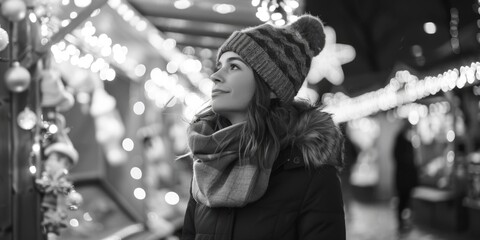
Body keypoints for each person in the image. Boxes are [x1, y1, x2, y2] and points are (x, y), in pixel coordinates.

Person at [181, 14, 345, 240]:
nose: (216, 76)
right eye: (219, 66)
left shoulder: (311, 174)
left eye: (234, 67)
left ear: (271, 86)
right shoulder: (206, 161)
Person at [393, 120, 419, 232]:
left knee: (406, 199)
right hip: (403, 177)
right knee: (403, 199)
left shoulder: (406, 139)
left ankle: (404, 222)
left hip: (405, 177)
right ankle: (401, 222)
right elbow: (398, 156)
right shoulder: (402, 139)